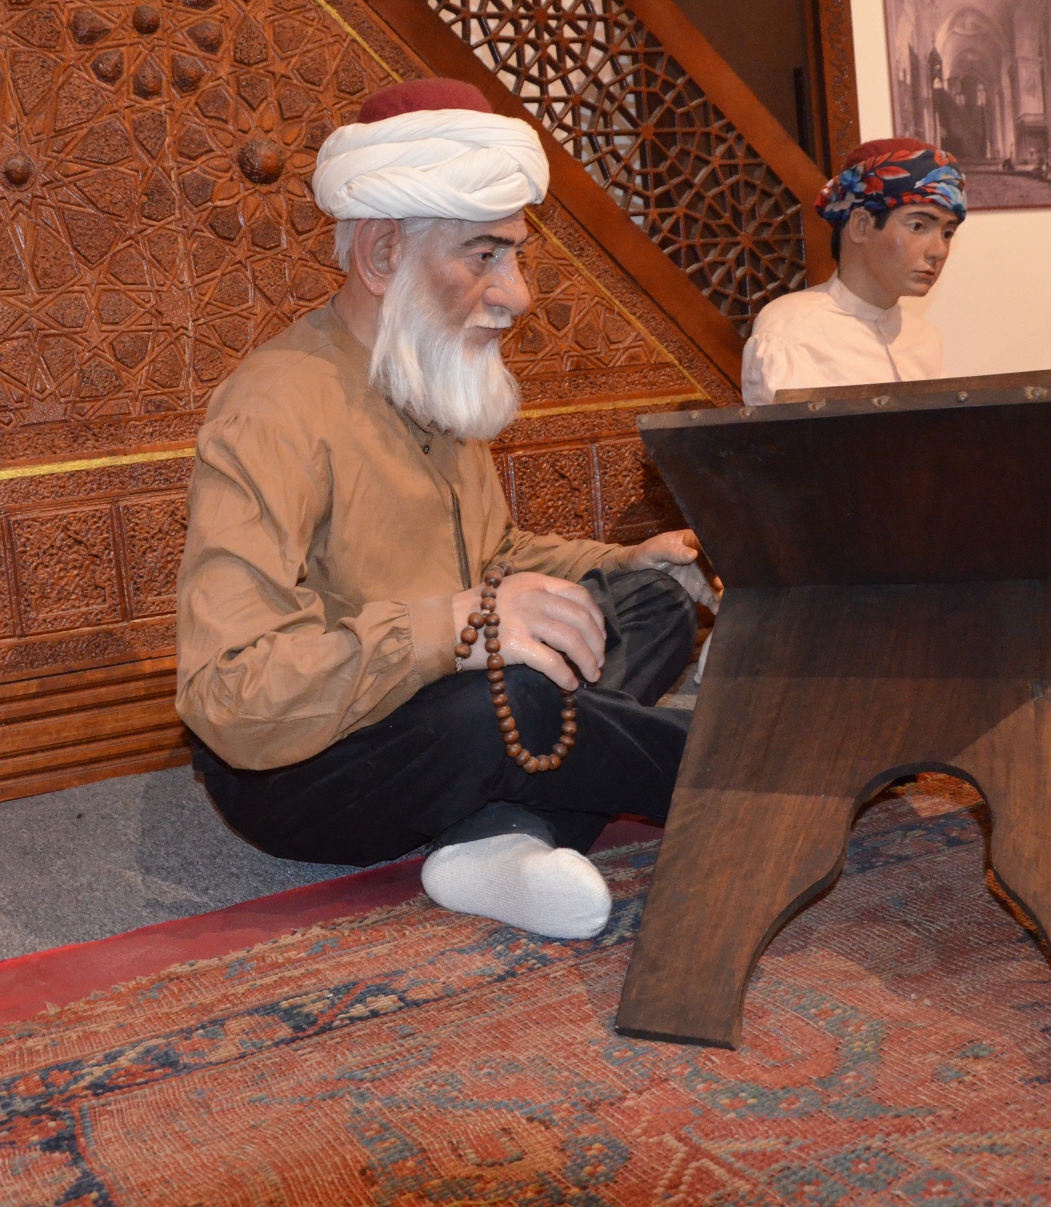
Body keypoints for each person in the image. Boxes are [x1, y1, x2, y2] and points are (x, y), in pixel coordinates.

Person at [175, 78, 718, 941]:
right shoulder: (273, 408)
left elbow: (492, 557)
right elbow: (229, 695)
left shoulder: (432, 367)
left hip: (451, 702)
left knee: (651, 605)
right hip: (307, 766)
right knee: (520, 697)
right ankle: (759, 776)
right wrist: (451, 629)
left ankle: (496, 842)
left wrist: (622, 563)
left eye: (515, 256)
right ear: (383, 254)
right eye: (484, 256)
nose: (517, 295)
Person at [741, 137, 968, 406]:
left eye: (948, 233)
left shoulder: (924, 337)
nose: (938, 250)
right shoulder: (791, 333)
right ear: (861, 226)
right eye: (918, 226)